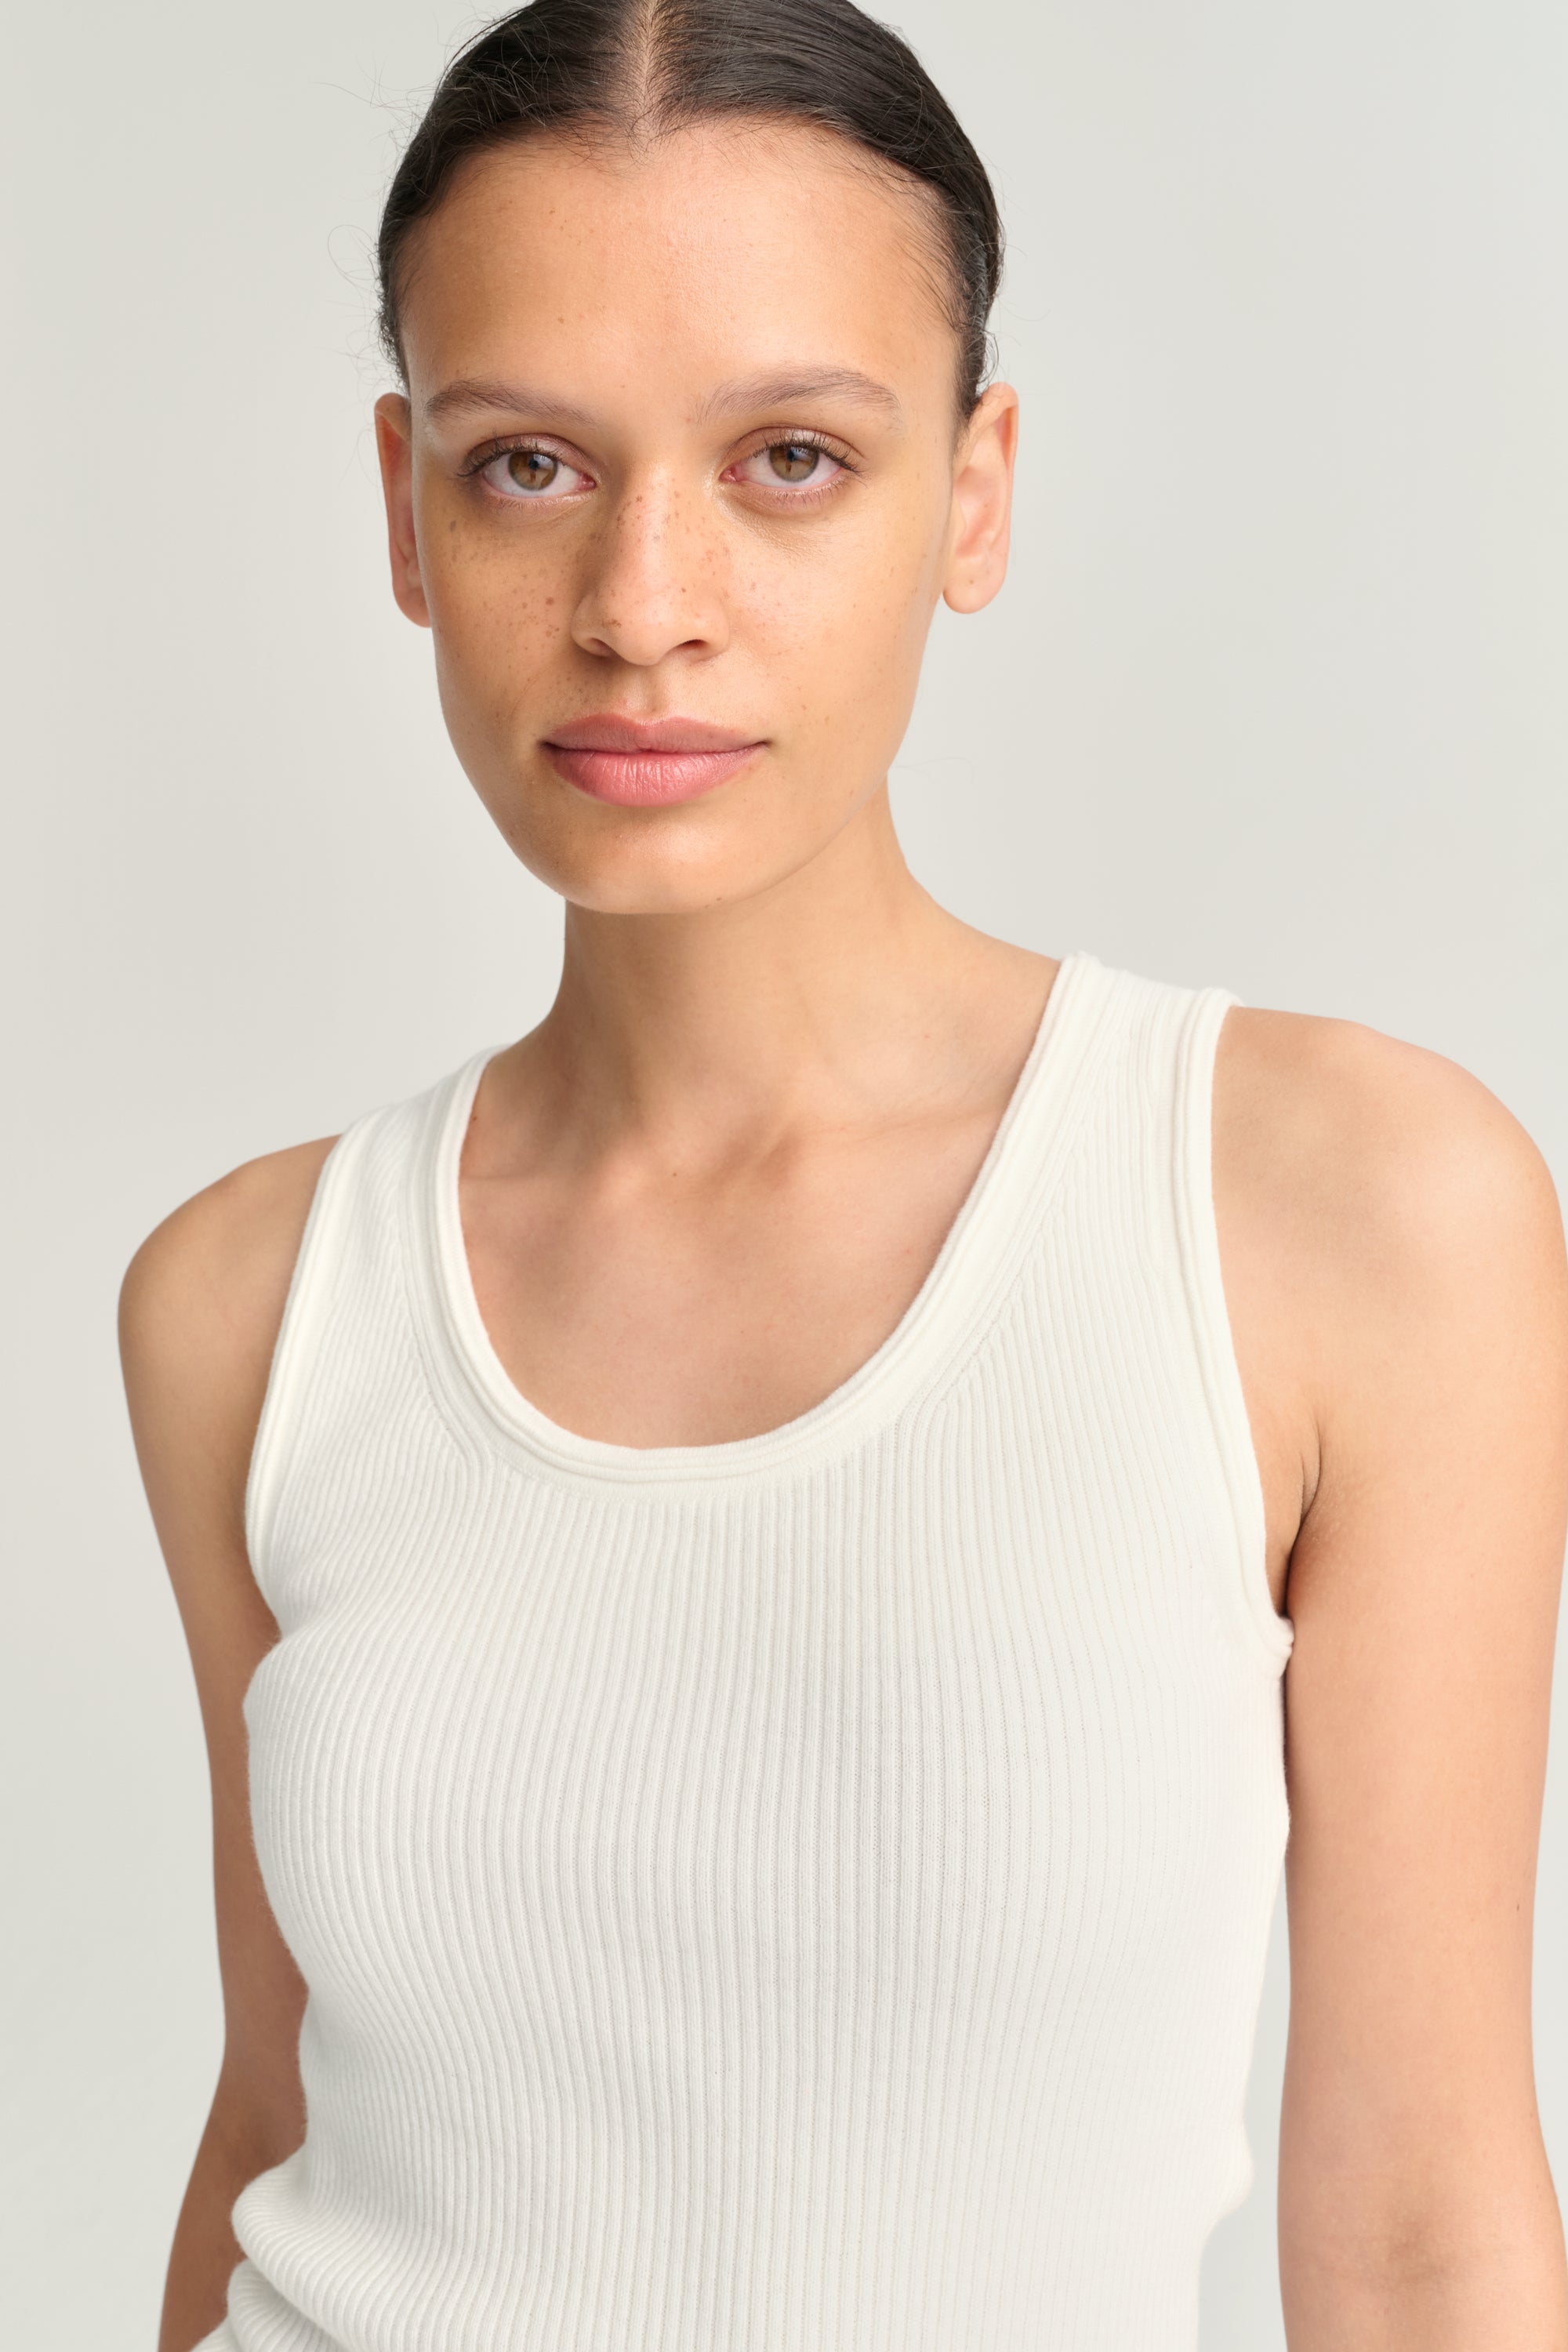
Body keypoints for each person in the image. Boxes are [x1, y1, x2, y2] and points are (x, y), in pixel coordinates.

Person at [118, 2, 1568, 2347]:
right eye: (527, 467)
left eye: (789, 457)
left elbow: (1420, 2237)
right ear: (403, 508)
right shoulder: (247, 1303)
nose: (643, 602)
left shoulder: (1350, 1217)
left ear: (974, 494)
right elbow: (277, 2121)